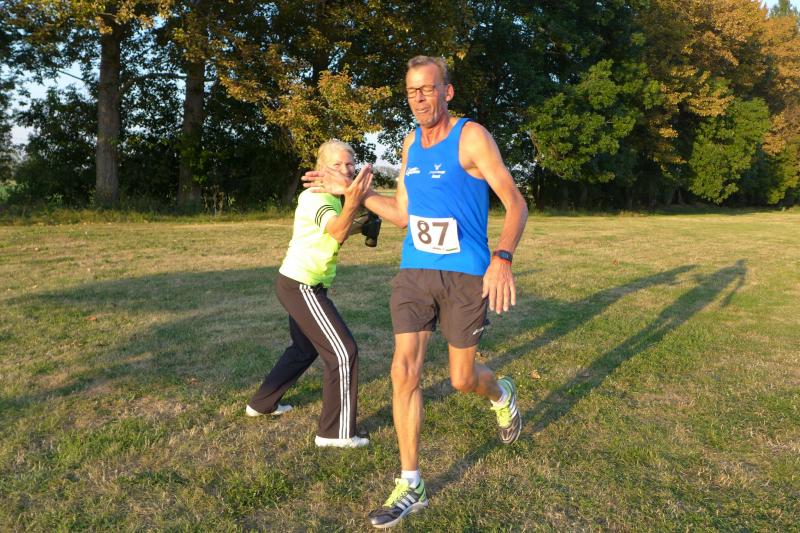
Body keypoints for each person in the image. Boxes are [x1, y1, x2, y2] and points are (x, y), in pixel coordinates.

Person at [303, 56, 528, 528]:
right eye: (411, 91)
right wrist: (353, 192)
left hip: (465, 274)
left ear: (447, 91)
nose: (419, 98)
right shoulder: (409, 144)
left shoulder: (471, 137)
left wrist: (503, 258)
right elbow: (403, 216)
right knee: (403, 371)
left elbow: (515, 202)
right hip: (415, 272)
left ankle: (500, 392)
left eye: (427, 89)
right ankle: (411, 482)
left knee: (462, 379)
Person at [246, 139, 374, 448]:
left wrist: (362, 224)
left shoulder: (333, 198)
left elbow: (334, 231)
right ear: (321, 169)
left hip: (299, 283)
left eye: (350, 163)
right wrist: (354, 203)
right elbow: (337, 230)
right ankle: (335, 434)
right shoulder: (316, 197)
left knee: (304, 349)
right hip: (302, 286)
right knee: (343, 352)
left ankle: (262, 403)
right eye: (337, 164)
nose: (346, 169)